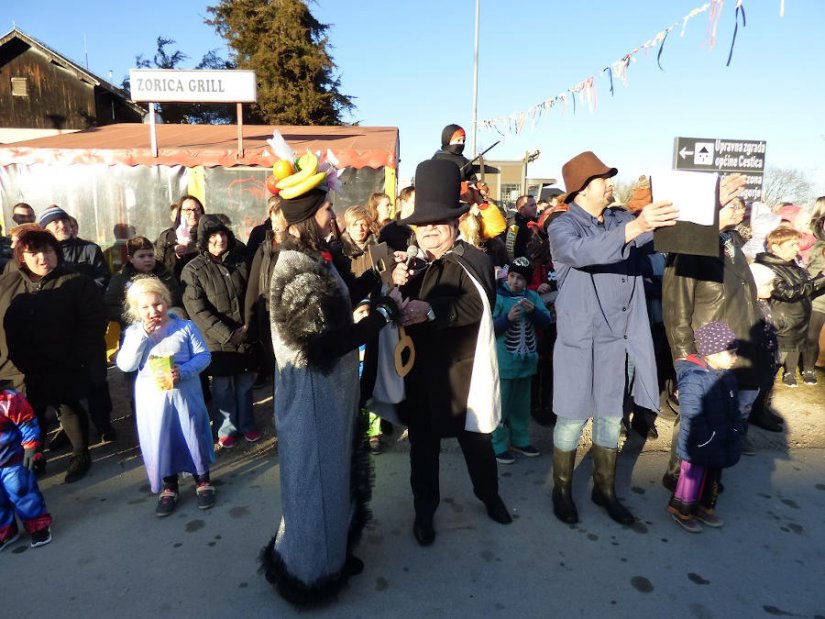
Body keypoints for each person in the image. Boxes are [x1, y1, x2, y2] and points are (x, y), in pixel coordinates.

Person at [259, 168, 401, 605]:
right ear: (304, 218)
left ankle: (333, 553)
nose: (333, 217)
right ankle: (310, 573)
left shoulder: (316, 257)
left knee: (334, 479)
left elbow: (341, 297)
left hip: (332, 395)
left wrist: (383, 281)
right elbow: (326, 344)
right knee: (314, 484)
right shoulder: (297, 268)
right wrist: (382, 316)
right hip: (312, 399)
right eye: (326, 210)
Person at [547, 151, 678, 526]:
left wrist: (712, 202)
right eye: (603, 179)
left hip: (617, 337)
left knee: (609, 417)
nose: (609, 184)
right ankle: (561, 489)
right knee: (571, 418)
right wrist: (635, 229)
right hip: (580, 338)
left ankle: (604, 490)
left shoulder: (620, 218)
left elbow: (662, 229)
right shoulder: (562, 225)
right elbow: (581, 252)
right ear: (582, 190)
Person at [394, 158, 512, 548]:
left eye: (436, 223)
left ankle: (490, 497)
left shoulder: (474, 259)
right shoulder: (407, 263)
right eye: (422, 224)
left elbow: (478, 307)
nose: (428, 230)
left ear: (455, 223)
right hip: (421, 375)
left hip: (463, 373)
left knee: (476, 443)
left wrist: (430, 310)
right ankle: (424, 512)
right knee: (422, 449)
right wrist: (393, 287)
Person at [0, 229, 106, 483]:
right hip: (17, 365)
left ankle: (80, 454)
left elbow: (94, 320)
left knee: (68, 406)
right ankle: (35, 455)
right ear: (22, 257)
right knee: (28, 411)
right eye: (34, 252)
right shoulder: (8, 283)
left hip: (64, 360)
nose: (43, 257)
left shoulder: (77, 281)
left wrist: (78, 355)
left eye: (48, 250)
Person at [116, 277, 215, 516]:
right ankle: (169, 485)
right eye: (145, 307)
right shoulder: (133, 333)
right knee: (162, 438)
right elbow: (126, 364)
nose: (153, 311)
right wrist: (141, 337)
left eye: (157, 304)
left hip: (185, 396)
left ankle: (202, 479)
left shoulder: (185, 327)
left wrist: (184, 371)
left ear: (166, 301)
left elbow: (204, 356)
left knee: (191, 433)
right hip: (153, 401)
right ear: (136, 310)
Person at [181, 215, 259, 449]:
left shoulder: (240, 262)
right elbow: (198, 310)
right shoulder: (193, 270)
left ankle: (247, 424)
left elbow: (252, 296)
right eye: (213, 235)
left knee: (245, 384)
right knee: (223, 387)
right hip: (217, 341)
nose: (219, 239)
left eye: (223, 234)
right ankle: (225, 429)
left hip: (245, 335)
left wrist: (249, 326)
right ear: (204, 240)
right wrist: (227, 334)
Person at [667, 321, 744, 533]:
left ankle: (704, 507)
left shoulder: (727, 376)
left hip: (720, 437)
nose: (735, 357)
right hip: (700, 440)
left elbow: (733, 406)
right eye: (731, 353)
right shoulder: (694, 379)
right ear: (711, 353)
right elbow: (691, 413)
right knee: (692, 478)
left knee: (712, 477)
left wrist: (737, 428)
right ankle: (681, 510)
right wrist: (704, 438)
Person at [491, 257, 551, 464]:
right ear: (507, 275)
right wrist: (506, 320)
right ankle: (496, 443)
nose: (515, 282)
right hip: (504, 365)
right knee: (500, 406)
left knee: (521, 406)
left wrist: (533, 311)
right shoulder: (497, 298)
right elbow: (488, 329)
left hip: (526, 364)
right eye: (513, 276)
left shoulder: (532, 297)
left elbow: (545, 322)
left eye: (520, 279)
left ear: (527, 281)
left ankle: (520, 439)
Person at [754, 227, 825, 387]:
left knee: (770, 372)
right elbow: (787, 293)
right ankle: (753, 408)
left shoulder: (794, 267)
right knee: (767, 371)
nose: (797, 248)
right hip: (781, 327)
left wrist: (819, 284)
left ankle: (761, 407)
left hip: (796, 324)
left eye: (797, 244)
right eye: (792, 245)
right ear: (776, 247)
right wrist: (821, 279)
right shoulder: (769, 267)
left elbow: (805, 292)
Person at [0, 384, 52, 549]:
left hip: (12, 459)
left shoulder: (8, 399)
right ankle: (5, 530)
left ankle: (37, 525)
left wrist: (30, 446)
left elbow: (26, 421)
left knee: (22, 491)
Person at [244, 198, 288, 384]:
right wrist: (250, 322)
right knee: (274, 366)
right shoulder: (264, 249)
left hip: (289, 318)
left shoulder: (296, 248)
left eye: (281, 220)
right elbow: (253, 287)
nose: (277, 225)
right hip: (268, 315)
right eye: (274, 219)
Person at [155, 195, 204, 281]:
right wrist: (176, 255)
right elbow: (160, 264)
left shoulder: (209, 234)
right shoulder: (167, 236)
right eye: (188, 210)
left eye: (197, 209)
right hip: (178, 284)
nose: (193, 214)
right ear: (180, 212)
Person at [802, 202, 825, 383]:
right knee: (809, 334)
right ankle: (806, 368)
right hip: (814, 294)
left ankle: (810, 367)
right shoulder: (817, 245)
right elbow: (804, 266)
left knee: (814, 336)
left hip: (821, 298)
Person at [246, 195, 282, 270]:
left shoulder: (290, 230)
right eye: (272, 208)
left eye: (277, 208)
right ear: (268, 210)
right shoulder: (258, 231)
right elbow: (250, 256)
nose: (275, 210)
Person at [379, 186, 416, 251]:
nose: (417, 206)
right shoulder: (389, 230)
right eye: (414, 202)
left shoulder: (425, 227)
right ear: (403, 202)